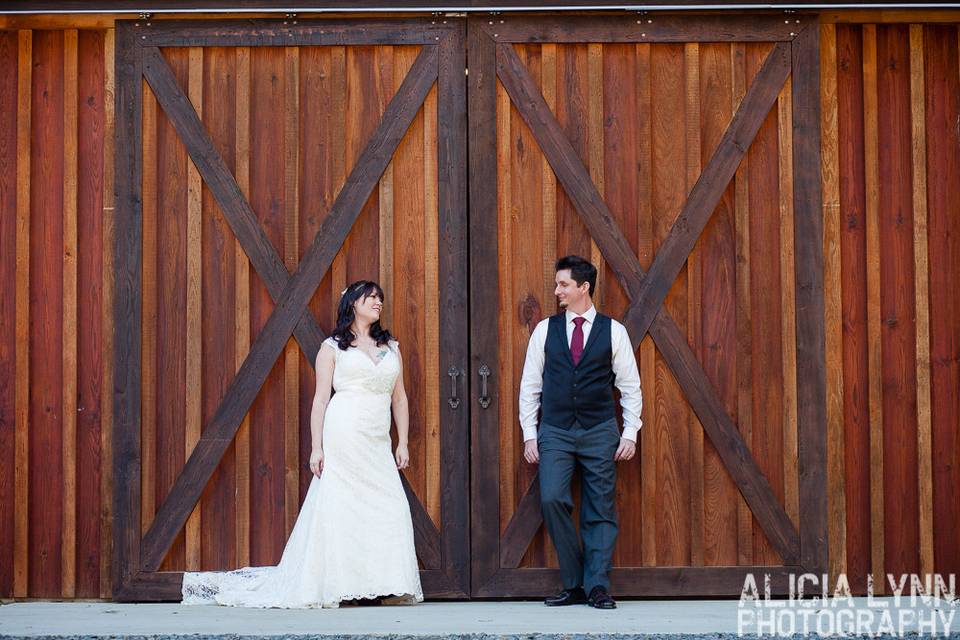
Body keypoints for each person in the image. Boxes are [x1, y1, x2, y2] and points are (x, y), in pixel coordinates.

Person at [181, 280, 423, 609]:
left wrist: (403, 442)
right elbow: (321, 400)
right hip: (344, 434)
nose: (378, 303)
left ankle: (385, 582)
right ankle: (344, 585)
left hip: (378, 439)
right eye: (371, 298)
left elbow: (400, 398)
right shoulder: (332, 348)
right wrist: (317, 447)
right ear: (353, 304)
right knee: (343, 506)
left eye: (380, 298)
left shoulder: (391, 347)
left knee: (388, 506)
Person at [518, 255, 643, 610]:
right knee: (552, 498)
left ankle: (598, 587)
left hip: (600, 430)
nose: (557, 290)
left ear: (583, 288)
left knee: (600, 508)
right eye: (558, 284)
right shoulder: (545, 329)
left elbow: (630, 387)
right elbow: (530, 386)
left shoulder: (613, 331)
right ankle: (575, 583)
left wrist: (630, 432)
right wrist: (530, 433)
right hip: (555, 430)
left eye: (563, 284)